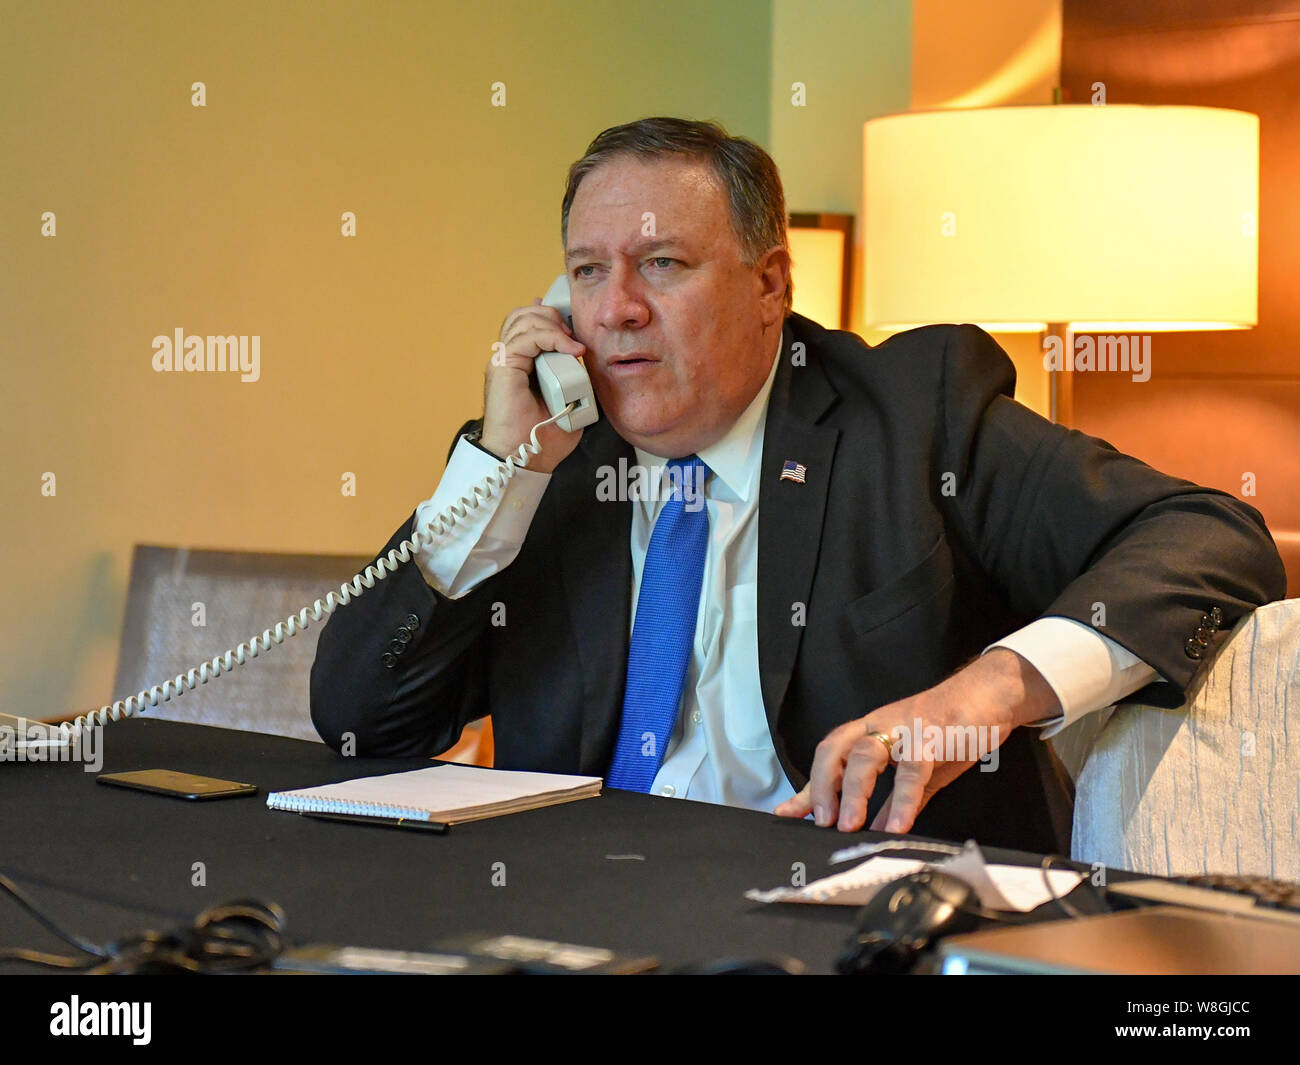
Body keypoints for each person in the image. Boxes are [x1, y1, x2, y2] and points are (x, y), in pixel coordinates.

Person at [309, 116, 1286, 854]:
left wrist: (986, 692)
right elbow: (362, 722)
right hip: (575, 908)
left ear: (771, 285)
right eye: (588, 273)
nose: (617, 310)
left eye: (661, 264)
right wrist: (499, 473)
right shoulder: (541, 462)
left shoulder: (911, 416)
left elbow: (1209, 536)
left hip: (843, 913)